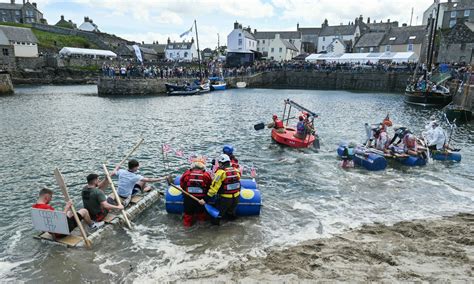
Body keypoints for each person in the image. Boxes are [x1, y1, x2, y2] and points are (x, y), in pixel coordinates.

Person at [32, 188, 102, 239]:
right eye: (50, 197)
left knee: (69, 213)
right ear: (46, 197)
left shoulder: (34, 207)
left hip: (52, 231)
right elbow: (58, 220)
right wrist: (67, 206)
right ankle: (92, 226)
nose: (51, 199)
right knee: (84, 211)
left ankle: (82, 220)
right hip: (61, 232)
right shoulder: (46, 208)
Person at [202, 154, 241, 225]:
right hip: (236, 198)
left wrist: (205, 199)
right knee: (231, 213)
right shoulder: (236, 170)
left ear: (221, 163)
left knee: (216, 216)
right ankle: (233, 228)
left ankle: (215, 232)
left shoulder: (221, 172)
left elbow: (214, 188)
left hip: (225, 199)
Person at [179, 156, 212, 227]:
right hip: (201, 199)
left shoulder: (187, 173)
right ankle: (201, 228)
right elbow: (210, 186)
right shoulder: (206, 175)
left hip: (188, 198)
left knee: (188, 214)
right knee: (201, 214)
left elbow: (182, 184)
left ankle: (186, 228)